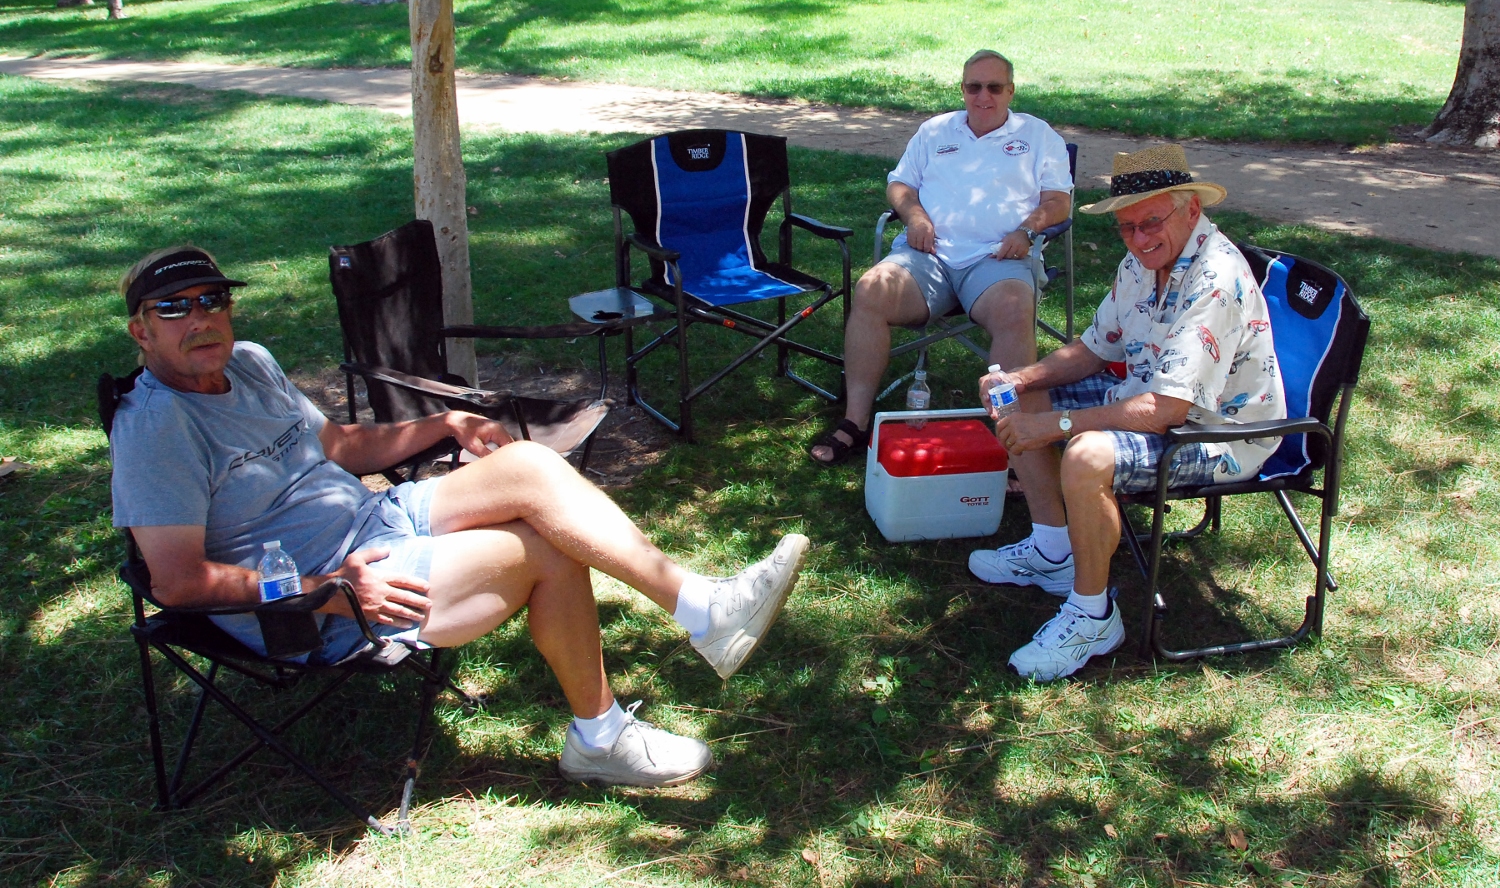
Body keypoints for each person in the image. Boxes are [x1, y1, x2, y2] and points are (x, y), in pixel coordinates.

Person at [108, 246, 808, 788]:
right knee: (545, 548)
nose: (199, 319)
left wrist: (444, 423)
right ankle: (599, 740)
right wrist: (326, 588)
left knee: (530, 465)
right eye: (173, 308)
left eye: (212, 300)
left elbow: (339, 447)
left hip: (372, 519)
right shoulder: (157, 427)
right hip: (321, 599)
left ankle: (703, 608)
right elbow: (176, 581)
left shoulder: (251, 363)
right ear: (141, 331)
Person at [969, 145, 1286, 682]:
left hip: (1215, 436)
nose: (1139, 239)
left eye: (1150, 223)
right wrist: (1020, 378)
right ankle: (1053, 550)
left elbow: (1167, 410)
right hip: (1150, 398)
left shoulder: (1214, 279)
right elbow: (1095, 348)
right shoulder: (1144, 261)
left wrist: (1056, 426)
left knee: (1087, 454)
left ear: (1191, 209)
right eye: (1127, 227)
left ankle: (1093, 617)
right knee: (1020, 394)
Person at [810, 49, 1074, 466]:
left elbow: (1059, 201)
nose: (983, 96)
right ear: (962, 89)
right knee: (872, 288)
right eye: (974, 87)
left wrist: (1027, 230)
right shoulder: (934, 131)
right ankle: (855, 421)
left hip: (997, 258)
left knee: (1014, 309)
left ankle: (1016, 439)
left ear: (1011, 91)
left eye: (994, 87)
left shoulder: (1039, 136)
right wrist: (915, 216)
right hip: (928, 256)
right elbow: (899, 185)